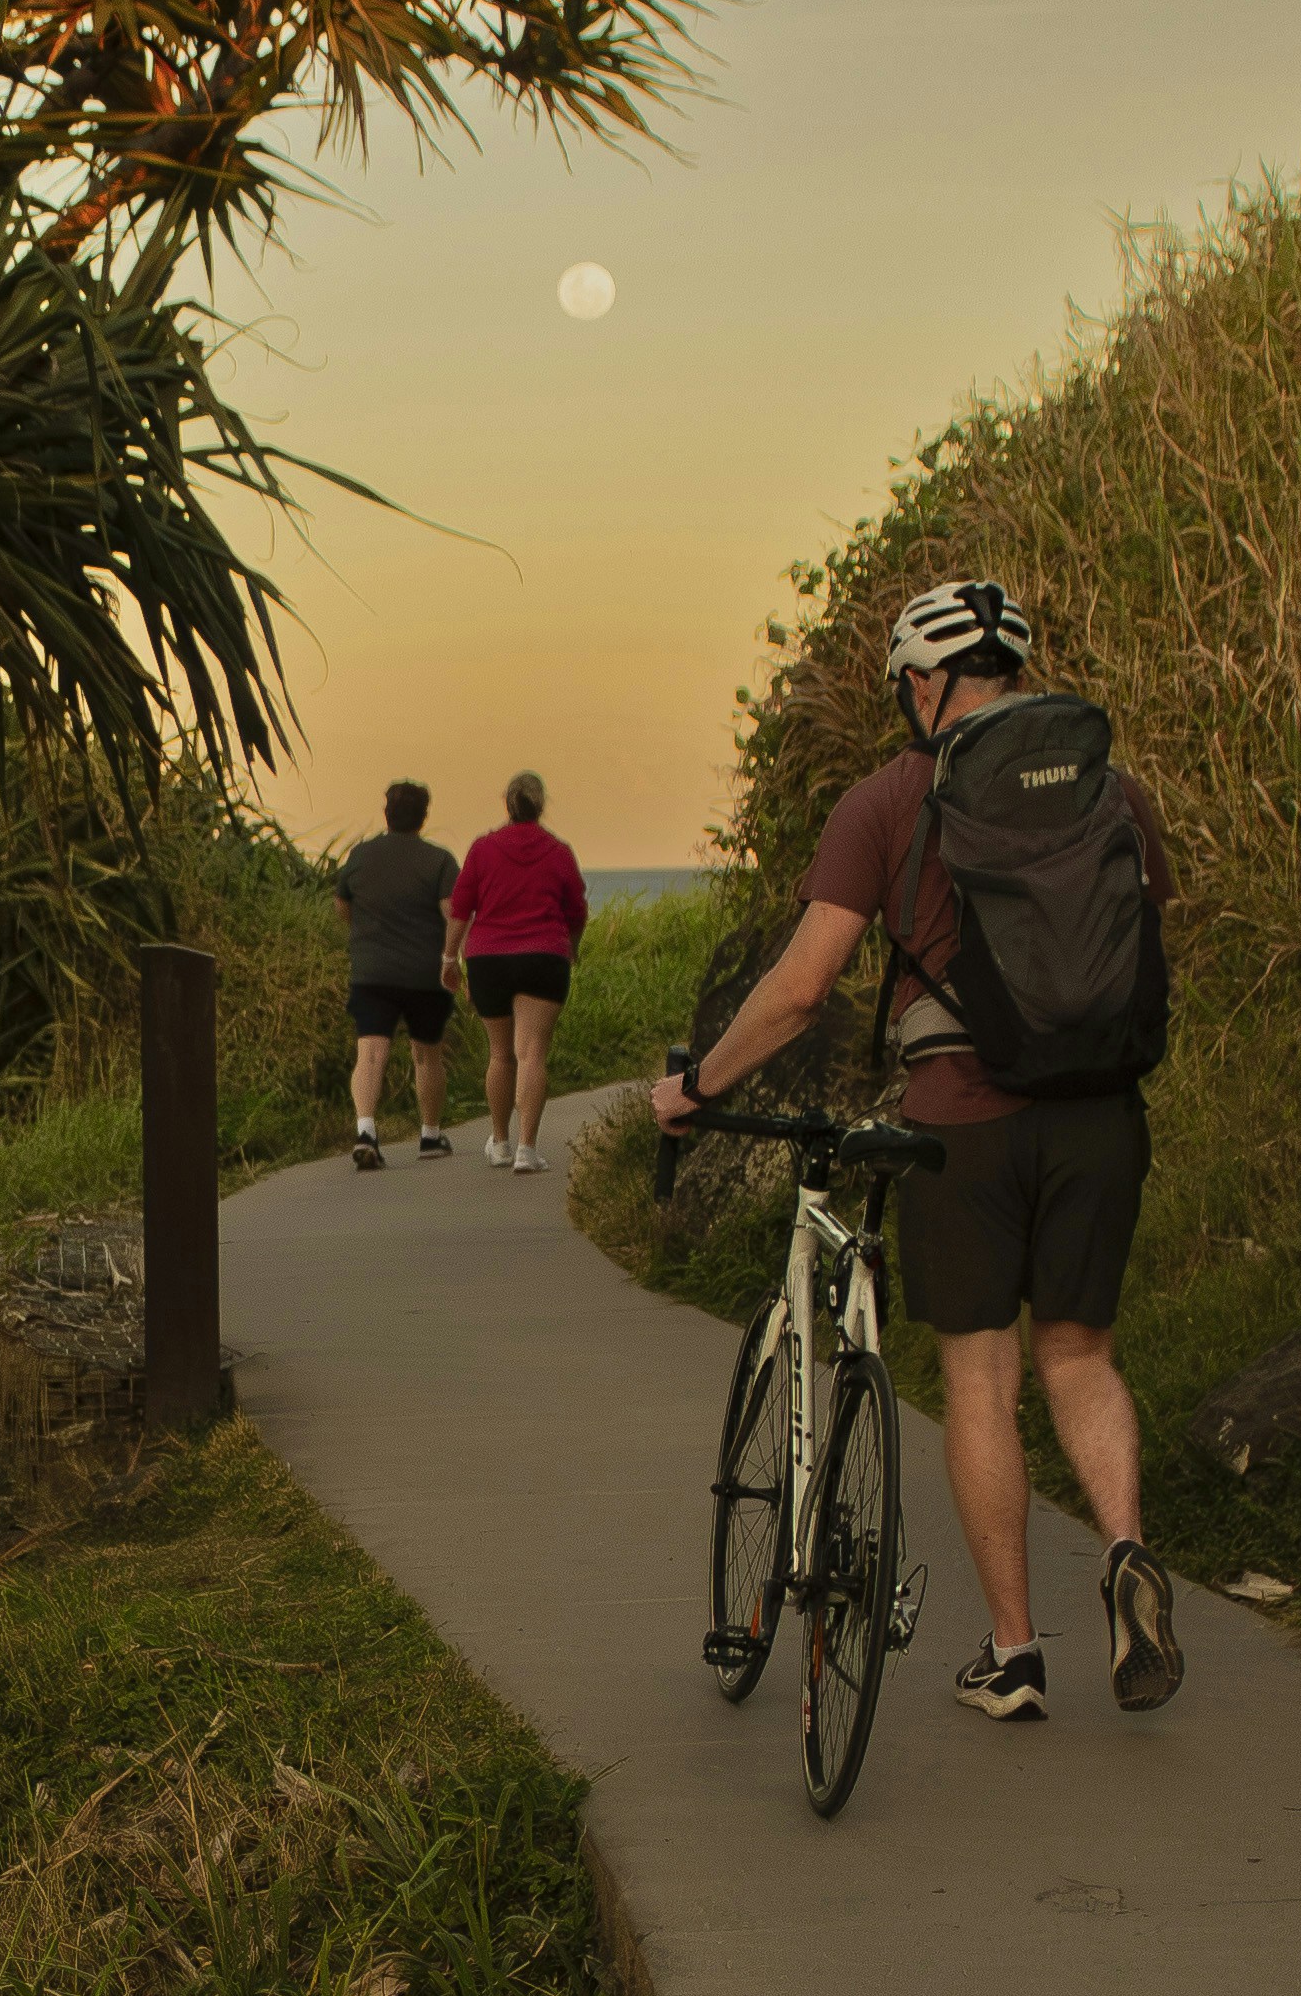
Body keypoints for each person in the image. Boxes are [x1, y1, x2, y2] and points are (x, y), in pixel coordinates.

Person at [647, 579, 1187, 1718]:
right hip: (1099, 1113)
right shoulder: (1112, 788)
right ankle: (1128, 1554)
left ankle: (1014, 1655)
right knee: (1081, 1356)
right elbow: (1150, 926)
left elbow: (801, 991)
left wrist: (697, 1087)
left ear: (927, 681)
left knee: (982, 1379)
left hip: (963, 1126)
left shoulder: (893, 799)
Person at [453, 771, 590, 1176]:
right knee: (531, 1053)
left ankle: (499, 1142)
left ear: (507, 804)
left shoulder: (482, 849)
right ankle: (527, 1151)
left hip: (488, 959)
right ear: (541, 804)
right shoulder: (558, 851)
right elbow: (576, 910)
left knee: (499, 1053)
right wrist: (573, 947)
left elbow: (461, 907)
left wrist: (449, 959)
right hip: (543, 956)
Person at [332, 780, 462, 1168]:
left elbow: (342, 906)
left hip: (372, 971)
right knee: (427, 1055)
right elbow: (452, 913)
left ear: (387, 813)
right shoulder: (439, 861)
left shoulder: (360, 855)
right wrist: (454, 959)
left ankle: (367, 1130)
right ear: (423, 816)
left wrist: (367, 931)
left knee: (370, 1052)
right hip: (425, 973)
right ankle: (430, 1135)